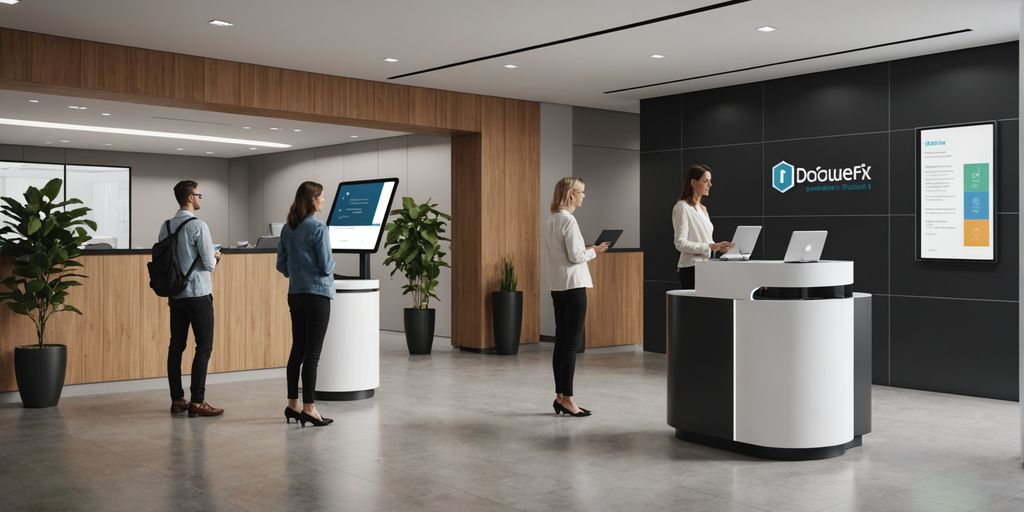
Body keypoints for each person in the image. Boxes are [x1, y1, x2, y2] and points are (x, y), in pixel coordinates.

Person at [543, 177, 608, 417]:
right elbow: (575, 257)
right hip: (574, 288)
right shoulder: (569, 221)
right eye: (581, 192)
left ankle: (560, 396)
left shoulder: (551, 219)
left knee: (561, 343)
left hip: (558, 287)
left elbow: (565, 253)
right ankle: (568, 399)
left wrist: (586, 250)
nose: (584, 196)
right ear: (571, 194)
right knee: (570, 345)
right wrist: (595, 251)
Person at [160, 180, 223, 418]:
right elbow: (208, 264)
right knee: (203, 347)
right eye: (198, 195)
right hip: (198, 294)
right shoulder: (199, 226)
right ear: (189, 197)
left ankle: (177, 399)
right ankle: (198, 401)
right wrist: (217, 256)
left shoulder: (165, 226)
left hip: (175, 295)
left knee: (176, 347)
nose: (199, 198)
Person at [277, 181, 336, 428]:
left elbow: (281, 266)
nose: (323, 200)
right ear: (312, 199)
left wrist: (298, 271)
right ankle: (310, 408)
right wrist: (332, 266)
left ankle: (293, 405)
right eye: (321, 197)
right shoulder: (318, 228)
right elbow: (326, 266)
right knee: (312, 354)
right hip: (318, 295)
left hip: (296, 295)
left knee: (297, 350)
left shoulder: (288, 228)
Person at [672, 164, 733, 289]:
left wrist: (719, 247)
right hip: (691, 269)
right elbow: (680, 243)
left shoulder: (703, 209)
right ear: (694, 183)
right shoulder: (682, 207)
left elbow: (705, 241)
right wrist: (710, 246)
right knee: (695, 308)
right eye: (706, 181)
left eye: (710, 181)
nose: (710, 185)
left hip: (706, 267)